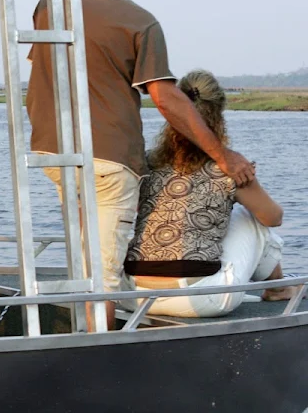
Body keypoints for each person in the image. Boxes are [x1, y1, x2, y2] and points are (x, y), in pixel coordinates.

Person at [28, 0, 256, 318]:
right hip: (109, 158)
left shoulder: (51, 2)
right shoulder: (140, 22)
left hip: (53, 151)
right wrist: (222, 154)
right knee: (104, 274)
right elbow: (165, 98)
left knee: (88, 255)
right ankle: (102, 357)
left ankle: (89, 337)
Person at [125, 71, 292, 317]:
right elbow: (273, 218)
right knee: (251, 217)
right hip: (198, 299)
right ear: (219, 114)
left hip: (134, 294)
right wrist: (249, 184)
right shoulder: (230, 168)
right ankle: (278, 288)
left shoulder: (149, 161)